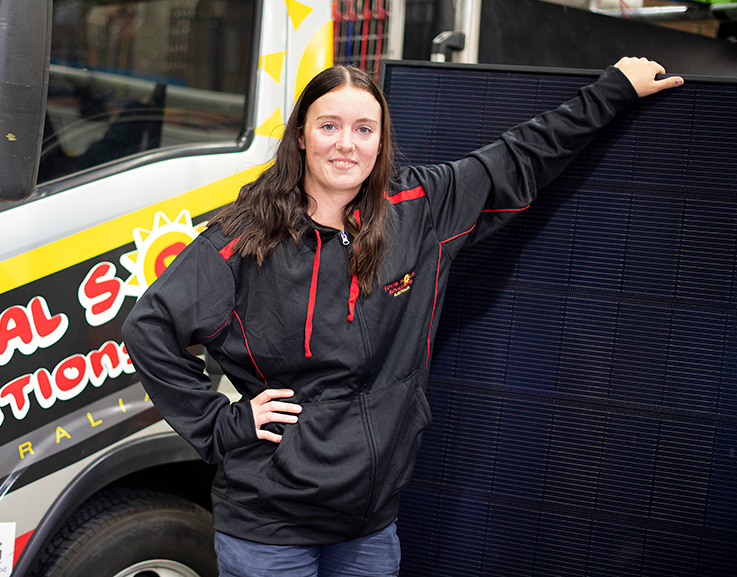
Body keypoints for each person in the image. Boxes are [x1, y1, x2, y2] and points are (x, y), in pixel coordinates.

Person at [121, 57, 682, 577]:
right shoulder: (243, 239)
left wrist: (614, 91)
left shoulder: (419, 208)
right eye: (328, 126)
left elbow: (519, 156)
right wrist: (224, 425)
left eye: (364, 129)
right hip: (269, 528)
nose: (346, 145)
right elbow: (149, 329)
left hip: (369, 526)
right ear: (300, 136)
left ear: (381, 139)